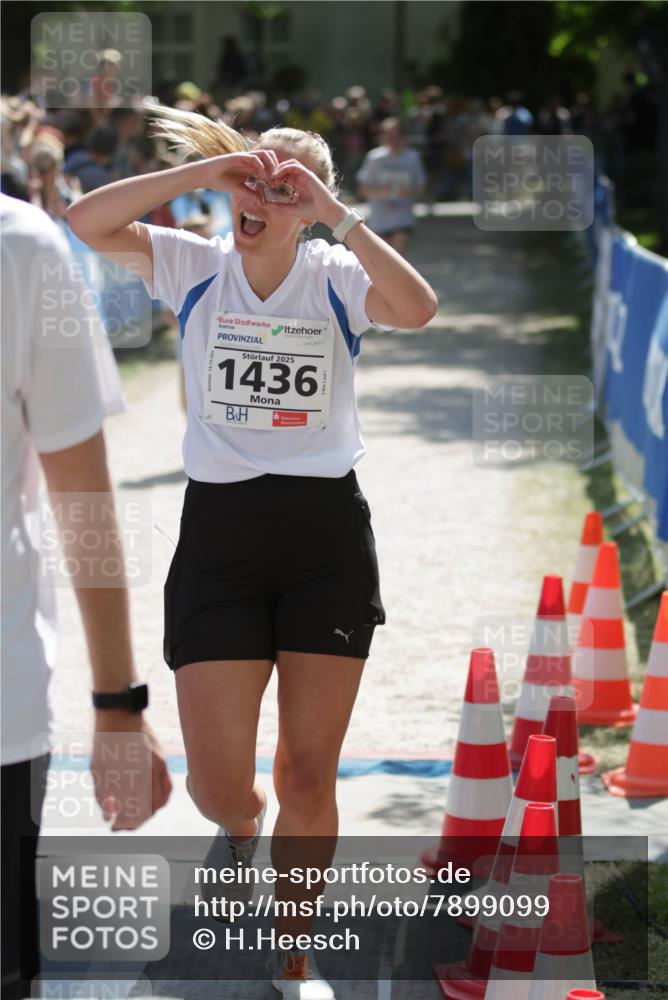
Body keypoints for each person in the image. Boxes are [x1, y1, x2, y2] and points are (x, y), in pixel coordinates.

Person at [66, 105, 437, 999]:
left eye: (284, 190)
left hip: (324, 541)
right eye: (253, 183)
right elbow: (85, 223)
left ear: (309, 207)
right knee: (222, 786)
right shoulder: (194, 265)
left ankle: (296, 958)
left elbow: (420, 310)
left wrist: (337, 215)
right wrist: (202, 175)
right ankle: (240, 825)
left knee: (310, 770)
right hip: (222, 541)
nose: (260, 199)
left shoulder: (339, 276)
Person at [1, 193, 172, 999]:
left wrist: (118, 703)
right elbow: (85, 504)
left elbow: (85, 504)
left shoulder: (23, 246)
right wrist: (117, 706)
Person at [356, 117, 427, 256]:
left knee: (397, 257)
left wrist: (409, 192)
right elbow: (363, 189)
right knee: (382, 262)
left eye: (395, 135)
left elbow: (421, 189)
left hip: (402, 218)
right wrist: (384, 192)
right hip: (379, 220)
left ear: (402, 136)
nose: (391, 139)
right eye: (387, 135)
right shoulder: (374, 158)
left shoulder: (413, 158)